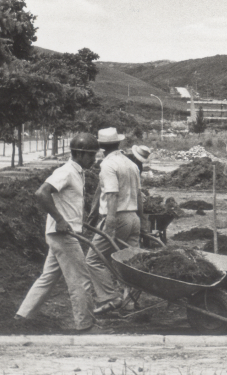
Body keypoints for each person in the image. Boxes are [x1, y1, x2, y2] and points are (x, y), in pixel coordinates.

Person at [16, 133, 98, 332]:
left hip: (62, 233)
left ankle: (21, 316)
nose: (93, 160)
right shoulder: (66, 171)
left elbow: (68, 201)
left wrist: (79, 221)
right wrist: (60, 219)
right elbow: (41, 193)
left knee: (48, 278)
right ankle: (84, 325)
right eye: (90, 155)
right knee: (80, 279)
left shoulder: (79, 172)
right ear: (78, 153)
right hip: (62, 235)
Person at [85, 128, 144, 315]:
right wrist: (143, 222)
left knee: (93, 260)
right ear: (118, 143)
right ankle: (129, 302)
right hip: (134, 217)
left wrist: (109, 226)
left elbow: (111, 195)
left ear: (101, 146)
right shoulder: (131, 164)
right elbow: (139, 196)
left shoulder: (108, 165)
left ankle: (111, 298)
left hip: (117, 217)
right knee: (129, 262)